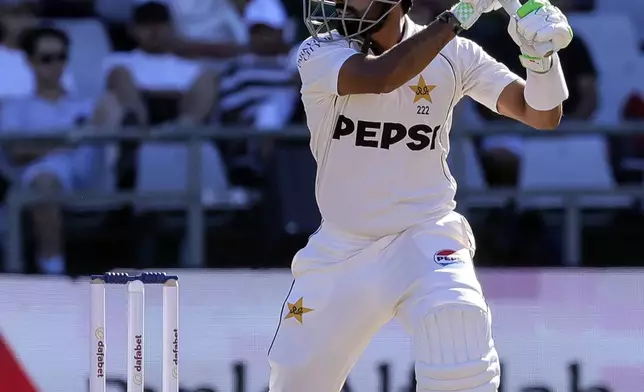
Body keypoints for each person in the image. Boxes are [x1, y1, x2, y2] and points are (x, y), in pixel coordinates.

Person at [267, 0, 572, 391]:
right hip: (343, 249)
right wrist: (461, 15)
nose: (339, 2)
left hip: (425, 237)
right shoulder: (319, 51)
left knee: (456, 329)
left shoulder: (455, 54)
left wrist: (540, 58)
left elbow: (541, 114)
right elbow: (383, 75)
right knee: (295, 381)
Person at [0, 26, 122, 274]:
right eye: (46, 59)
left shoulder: (89, 105)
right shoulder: (15, 109)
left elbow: (109, 137)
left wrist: (88, 130)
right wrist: (72, 139)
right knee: (45, 179)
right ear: (31, 63)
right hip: (40, 179)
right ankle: (53, 271)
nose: (55, 65)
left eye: (61, 57)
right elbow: (16, 151)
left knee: (111, 104)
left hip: (90, 179)